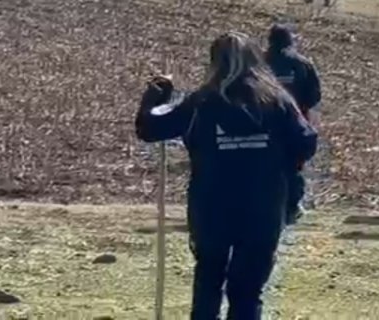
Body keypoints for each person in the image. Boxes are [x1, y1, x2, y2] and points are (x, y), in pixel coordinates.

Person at [134, 32, 317, 320]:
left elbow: (151, 127)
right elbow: (306, 143)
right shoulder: (277, 101)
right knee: (248, 291)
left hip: (211, 206)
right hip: (263, 206)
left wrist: (157, 94)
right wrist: (278, 162)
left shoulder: (202, 102)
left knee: (209, 278)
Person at [266, 24, 323, 223]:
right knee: (293, 164)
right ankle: (292, 206)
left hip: (264, 123)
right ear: (290, 40)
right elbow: (314, 95)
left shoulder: (259, 63)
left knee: (266, 164)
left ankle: (270, 204)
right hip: (296, 122)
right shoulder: (302, 64)